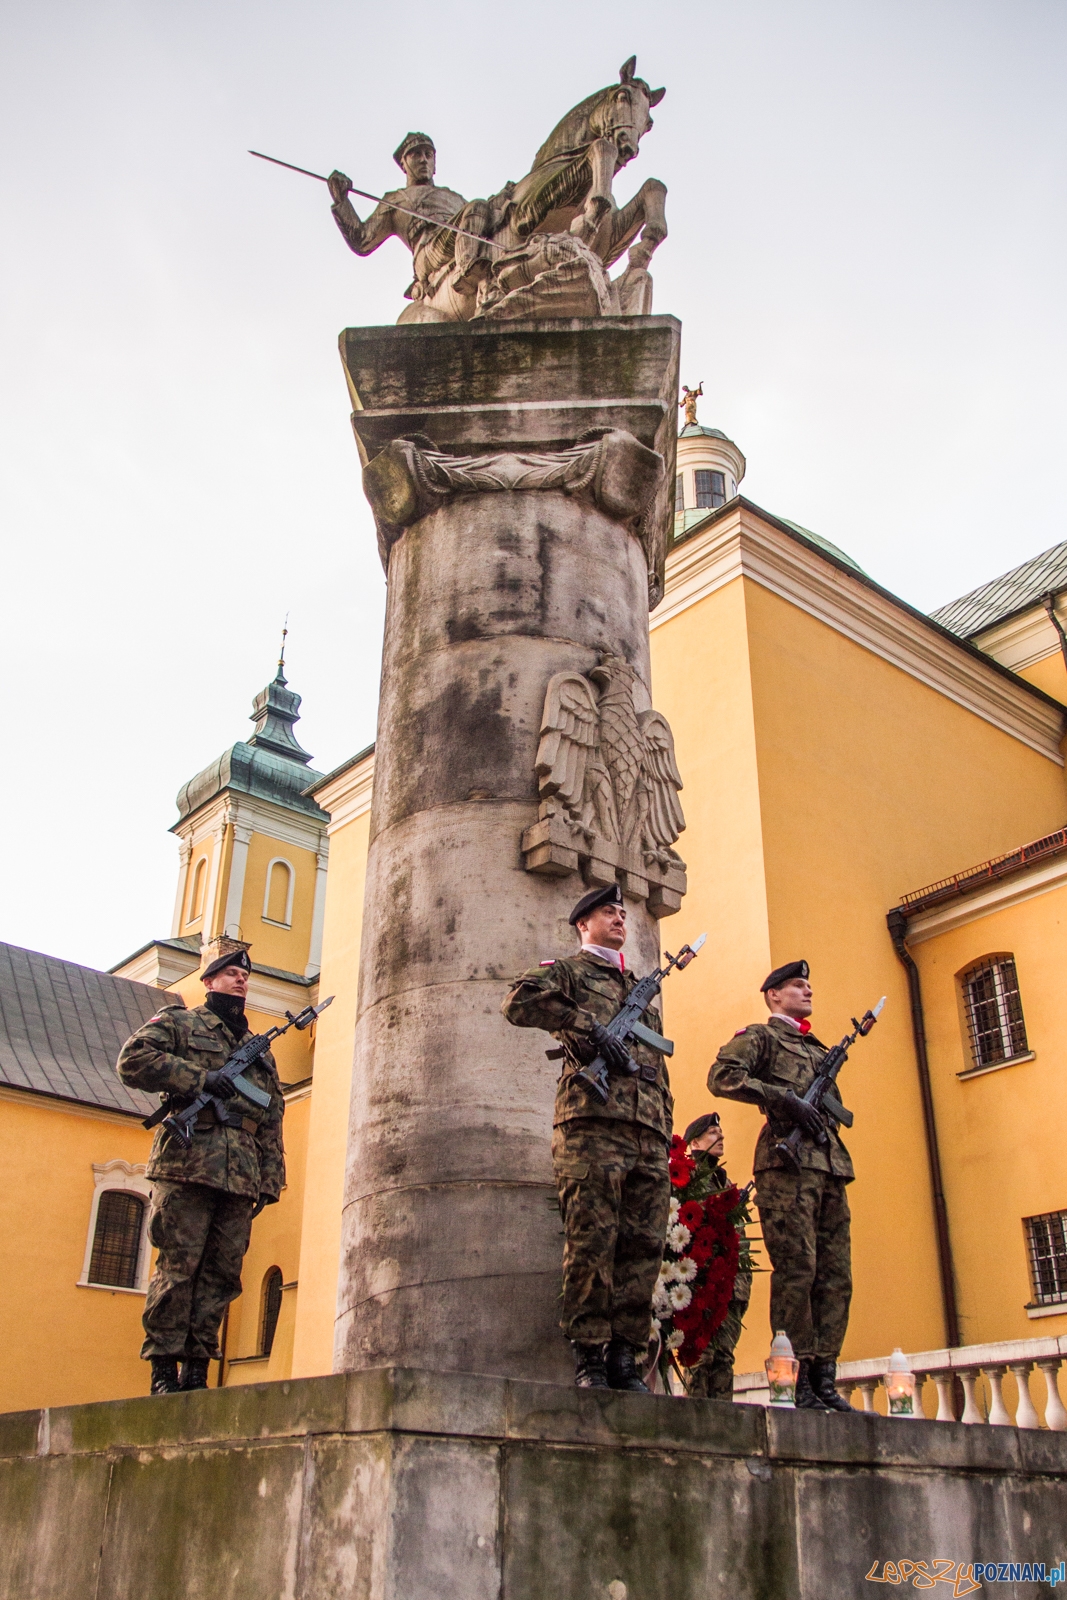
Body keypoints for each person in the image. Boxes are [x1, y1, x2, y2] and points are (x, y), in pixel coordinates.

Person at [501, 884, 671, 1392]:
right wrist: (587, 1026)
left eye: (622, 913)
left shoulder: (639, 986)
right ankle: (591, 1358)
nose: (620, 918)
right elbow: (518, 1001)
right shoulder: (568, 973)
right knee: (592, 1242)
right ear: (583, 924)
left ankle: (626, 1355)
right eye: (607, 912)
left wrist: (663, 1126)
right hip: (591, 1128)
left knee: (643, 1247)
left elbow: (655, 1067)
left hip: (647, 1132)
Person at [116, 945, 285, 1395]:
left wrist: (269, 1180)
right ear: (208, 982)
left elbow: (271, 1116)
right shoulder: (179, 1022)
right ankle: (163, 1369)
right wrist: (200, 1079)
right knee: (179, 1267)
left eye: (243, 975)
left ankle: (198, 1368)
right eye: (229, 974)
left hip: (240, 1176)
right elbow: (132, 1062)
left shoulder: (259, 1053)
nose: (240, 981)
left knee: (222, 1274)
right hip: (188, 1163)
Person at [708, 960, 854, 1412]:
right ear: (773, 995)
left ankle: (823, 1374)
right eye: (796, 984)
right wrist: (781, 1098)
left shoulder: (818, 1047)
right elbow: (722, 1077)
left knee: (835, 1276)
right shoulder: (762, 1037)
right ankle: (795, 1376)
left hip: (828, 1164)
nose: (807, 988)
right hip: (785, 1164)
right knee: (797, 1270)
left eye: (809, 983)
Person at [327, 132, 491, 304]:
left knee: (486, 210)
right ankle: (466, 270)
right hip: (428, 251)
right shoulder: (395, 200)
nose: (423, 160)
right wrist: (341, 200)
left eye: (428, 155)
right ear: (404, 164)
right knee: (477, 206)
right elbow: (362, 240)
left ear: (435, 164)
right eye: (416, 154)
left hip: (459, 240)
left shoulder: (454, 197)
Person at [680, 1112, 752, 1400]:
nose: (720, 1137)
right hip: (703, 1286)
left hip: (732, 1287)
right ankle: (694, 1426)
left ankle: (723, 1425)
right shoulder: (690, 1177)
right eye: (712, 1132)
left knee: (724, 1358)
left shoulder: (724, 1182)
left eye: (720, 1131)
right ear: (695, 1142)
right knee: (701, 1358)